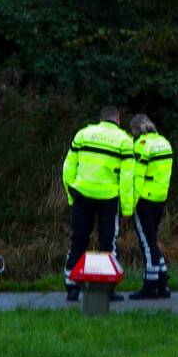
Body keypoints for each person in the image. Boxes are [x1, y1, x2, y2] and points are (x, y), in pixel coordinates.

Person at [61, 106, 135, 302]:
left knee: (78, 240)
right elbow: (127, 179)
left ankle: (71, 286)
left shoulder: (83, 134)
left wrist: (71, 194)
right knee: (107, 244)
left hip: (82, 195)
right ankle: (106, 290)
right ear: (117, 120)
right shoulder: (124, 141)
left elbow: (68, 166)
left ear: (101, 119)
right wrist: (127, 208)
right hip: (108, 198)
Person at [127, 114, 174, 300]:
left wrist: (129, 205)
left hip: (144, 199)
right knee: (152, 241)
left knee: (147, 243)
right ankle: (162, 283)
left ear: (136, 129)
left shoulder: (142, 145)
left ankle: (150, 285)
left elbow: (137, 178)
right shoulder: (164, 142)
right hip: (160, 197)